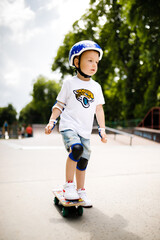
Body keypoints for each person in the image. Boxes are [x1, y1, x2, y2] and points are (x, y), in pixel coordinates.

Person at [45, 40, 107, 207]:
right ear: (77, 61)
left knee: (83, 161)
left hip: (85, 131)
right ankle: (69, 186)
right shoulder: (69, 83)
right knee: (76, 149)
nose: (94, 65)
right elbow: (59, 105)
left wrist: (102, 128)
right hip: (69, 126)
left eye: (96, 62)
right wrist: (52, 121)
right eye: (89, 60)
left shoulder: (96, 86)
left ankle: (81, 190)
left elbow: (99, 109)